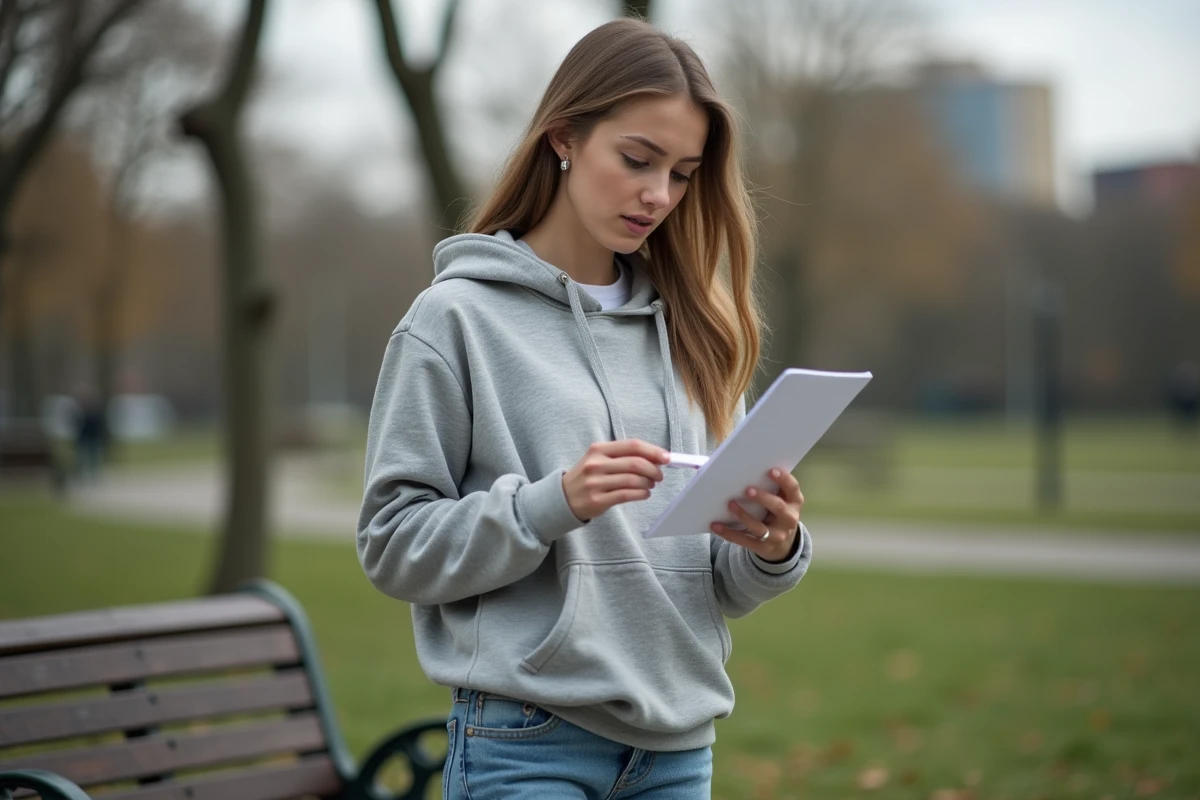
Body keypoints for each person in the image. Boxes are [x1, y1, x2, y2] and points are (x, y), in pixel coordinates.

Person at [358, 18, 811, 798]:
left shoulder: (696, 331)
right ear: (564, 137)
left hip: (677, 748)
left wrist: (771, 547)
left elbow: (719, 585)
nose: (657, 195)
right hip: (527, 743)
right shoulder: (455, 319)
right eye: (637, 160)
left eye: (682, 173)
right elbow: (391, 544)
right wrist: (548, 505)